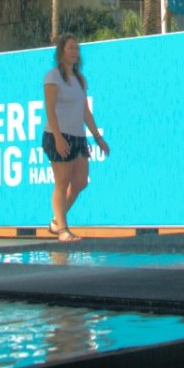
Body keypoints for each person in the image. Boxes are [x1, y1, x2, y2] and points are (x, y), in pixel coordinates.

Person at [42, 34, 109, 242]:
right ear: (61, 51)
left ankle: (56, 221)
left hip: (79, 137)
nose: (75, 51)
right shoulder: (53, 77)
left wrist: (98, 137)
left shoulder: (80, 79)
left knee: (80, 182)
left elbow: (85, 111)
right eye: (71, 48)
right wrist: (59, 138)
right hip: (57, 135)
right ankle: (63, 230)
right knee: (61, 182)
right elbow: (50, 111)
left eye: (77, 48)